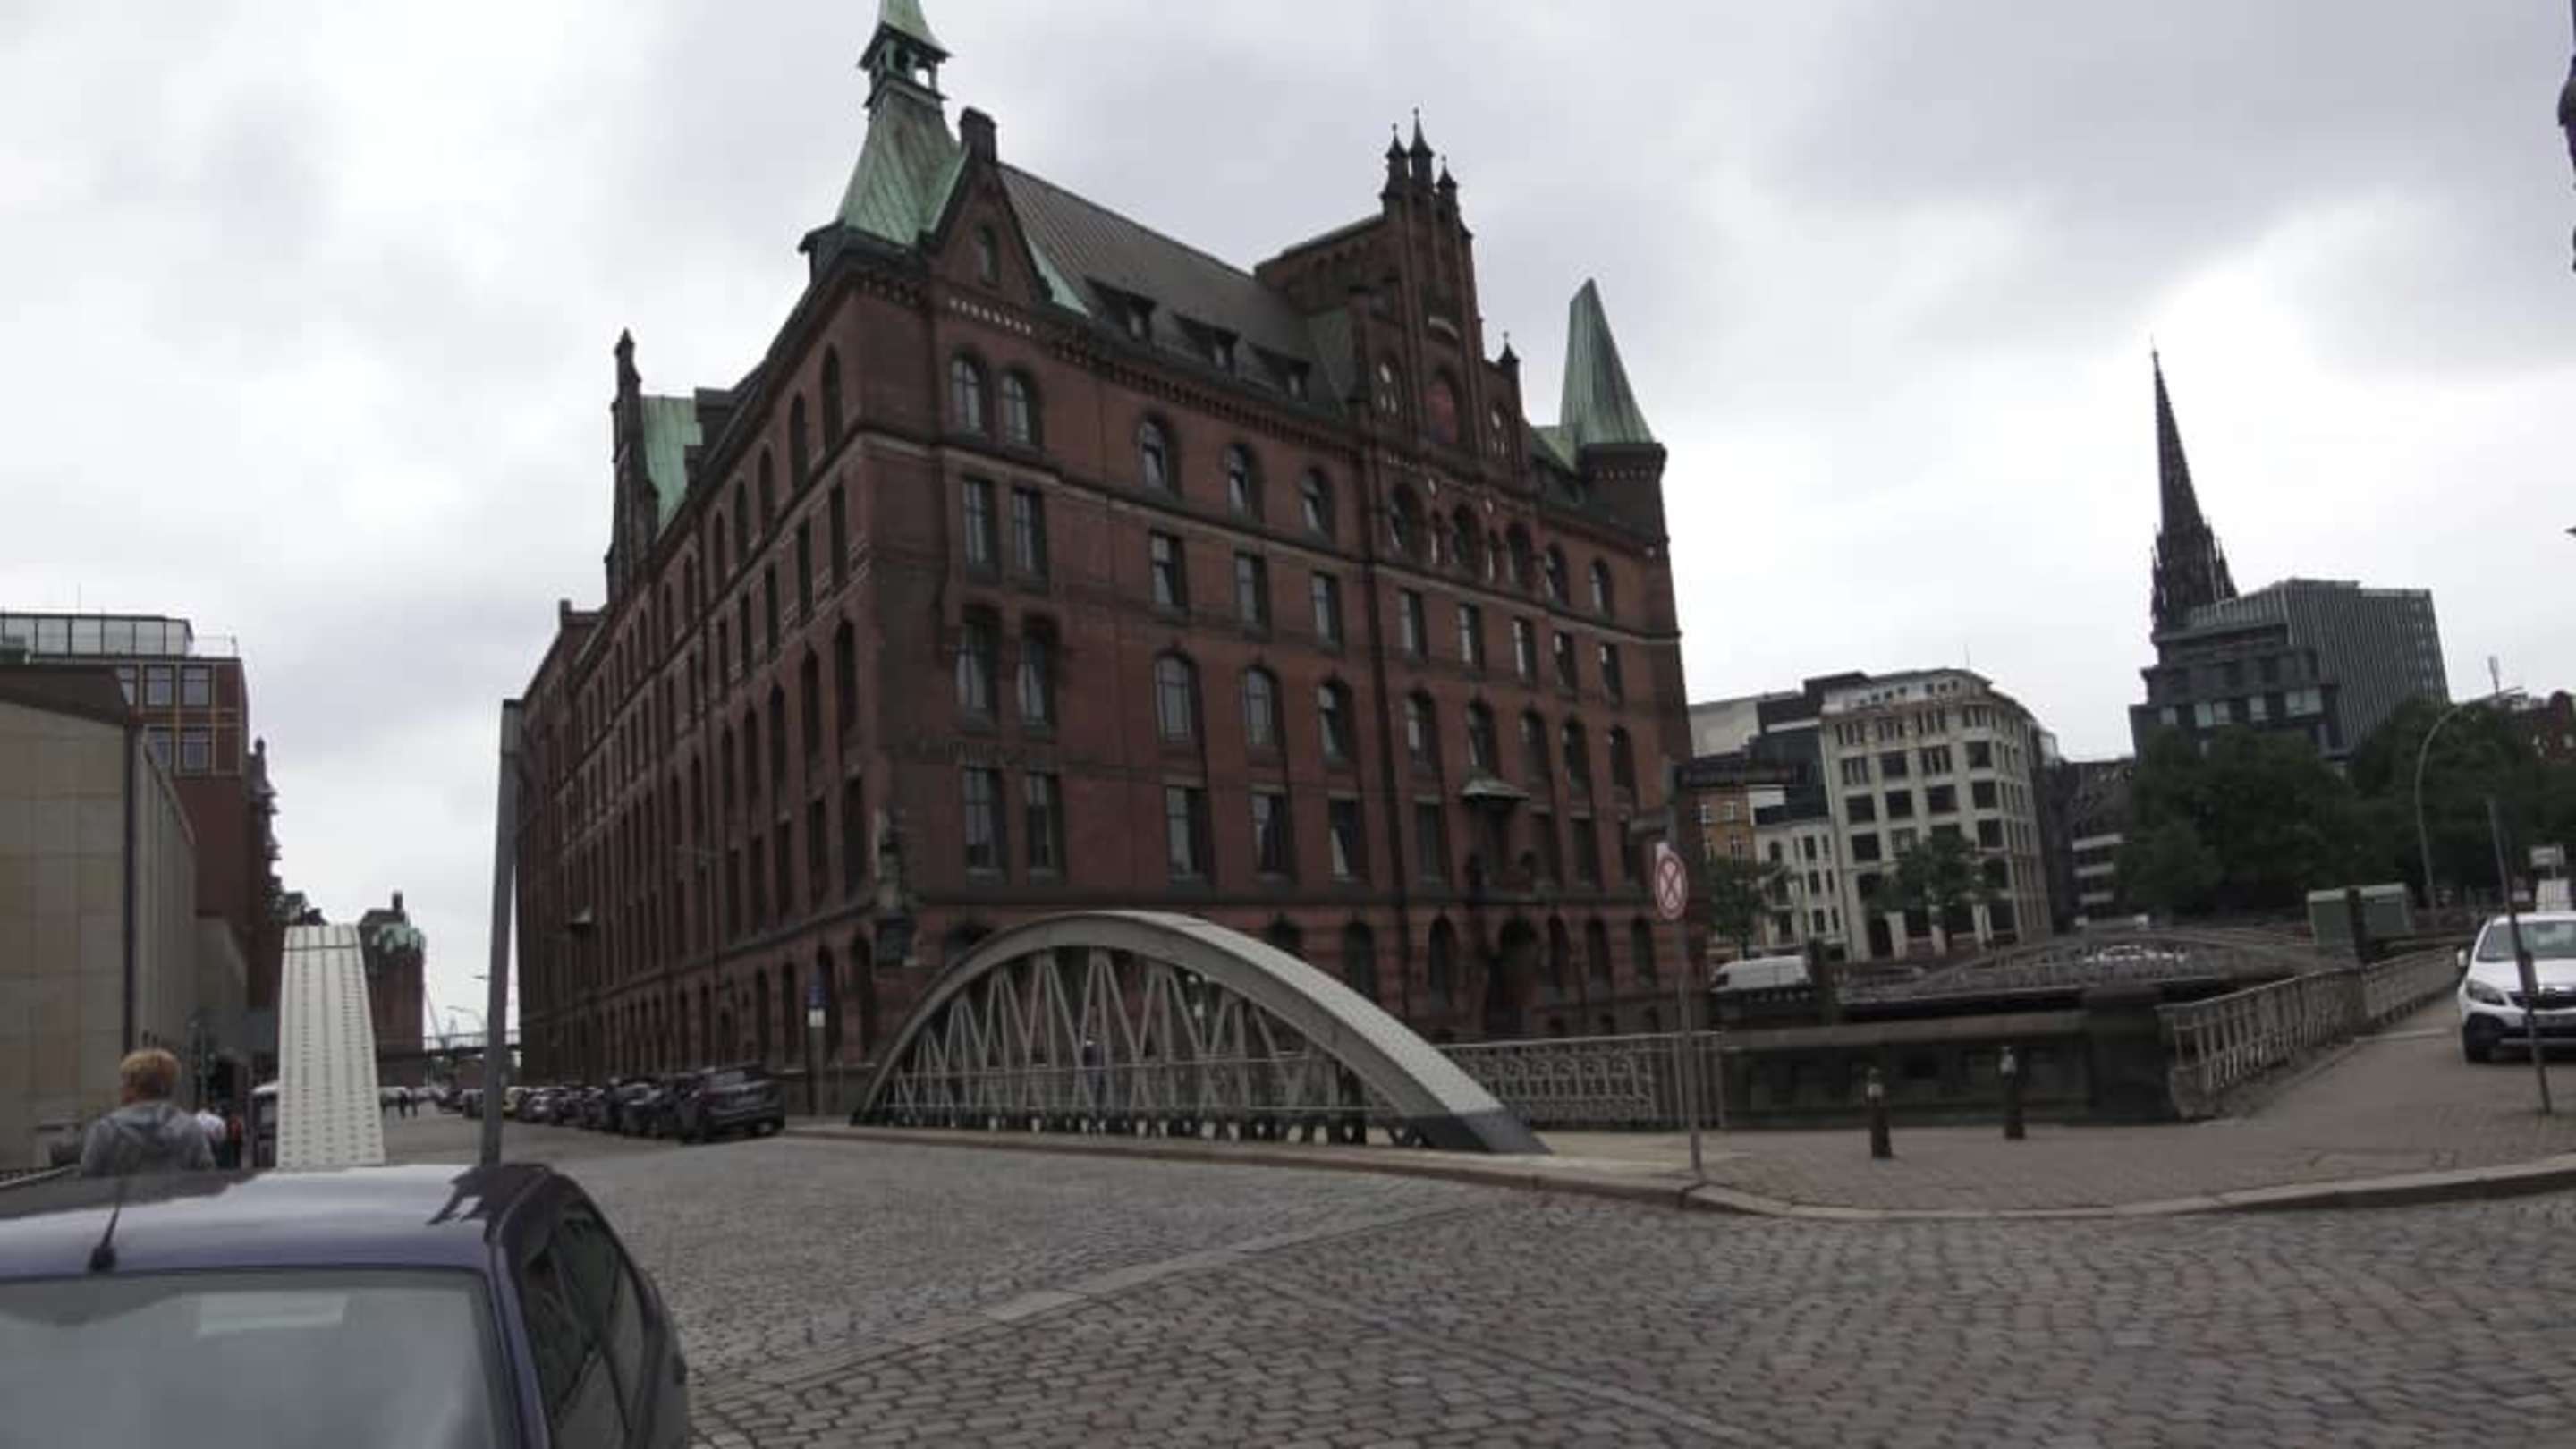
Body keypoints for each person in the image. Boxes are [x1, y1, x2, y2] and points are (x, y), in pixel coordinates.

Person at [80, 1048, 216, 1177]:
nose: (120, 1088)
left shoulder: (106, 1129)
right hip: (177, 1195)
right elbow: (206, 1177)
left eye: (124, 1082)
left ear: (133, 1087)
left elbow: (87, 1180)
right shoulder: (191, 1128)